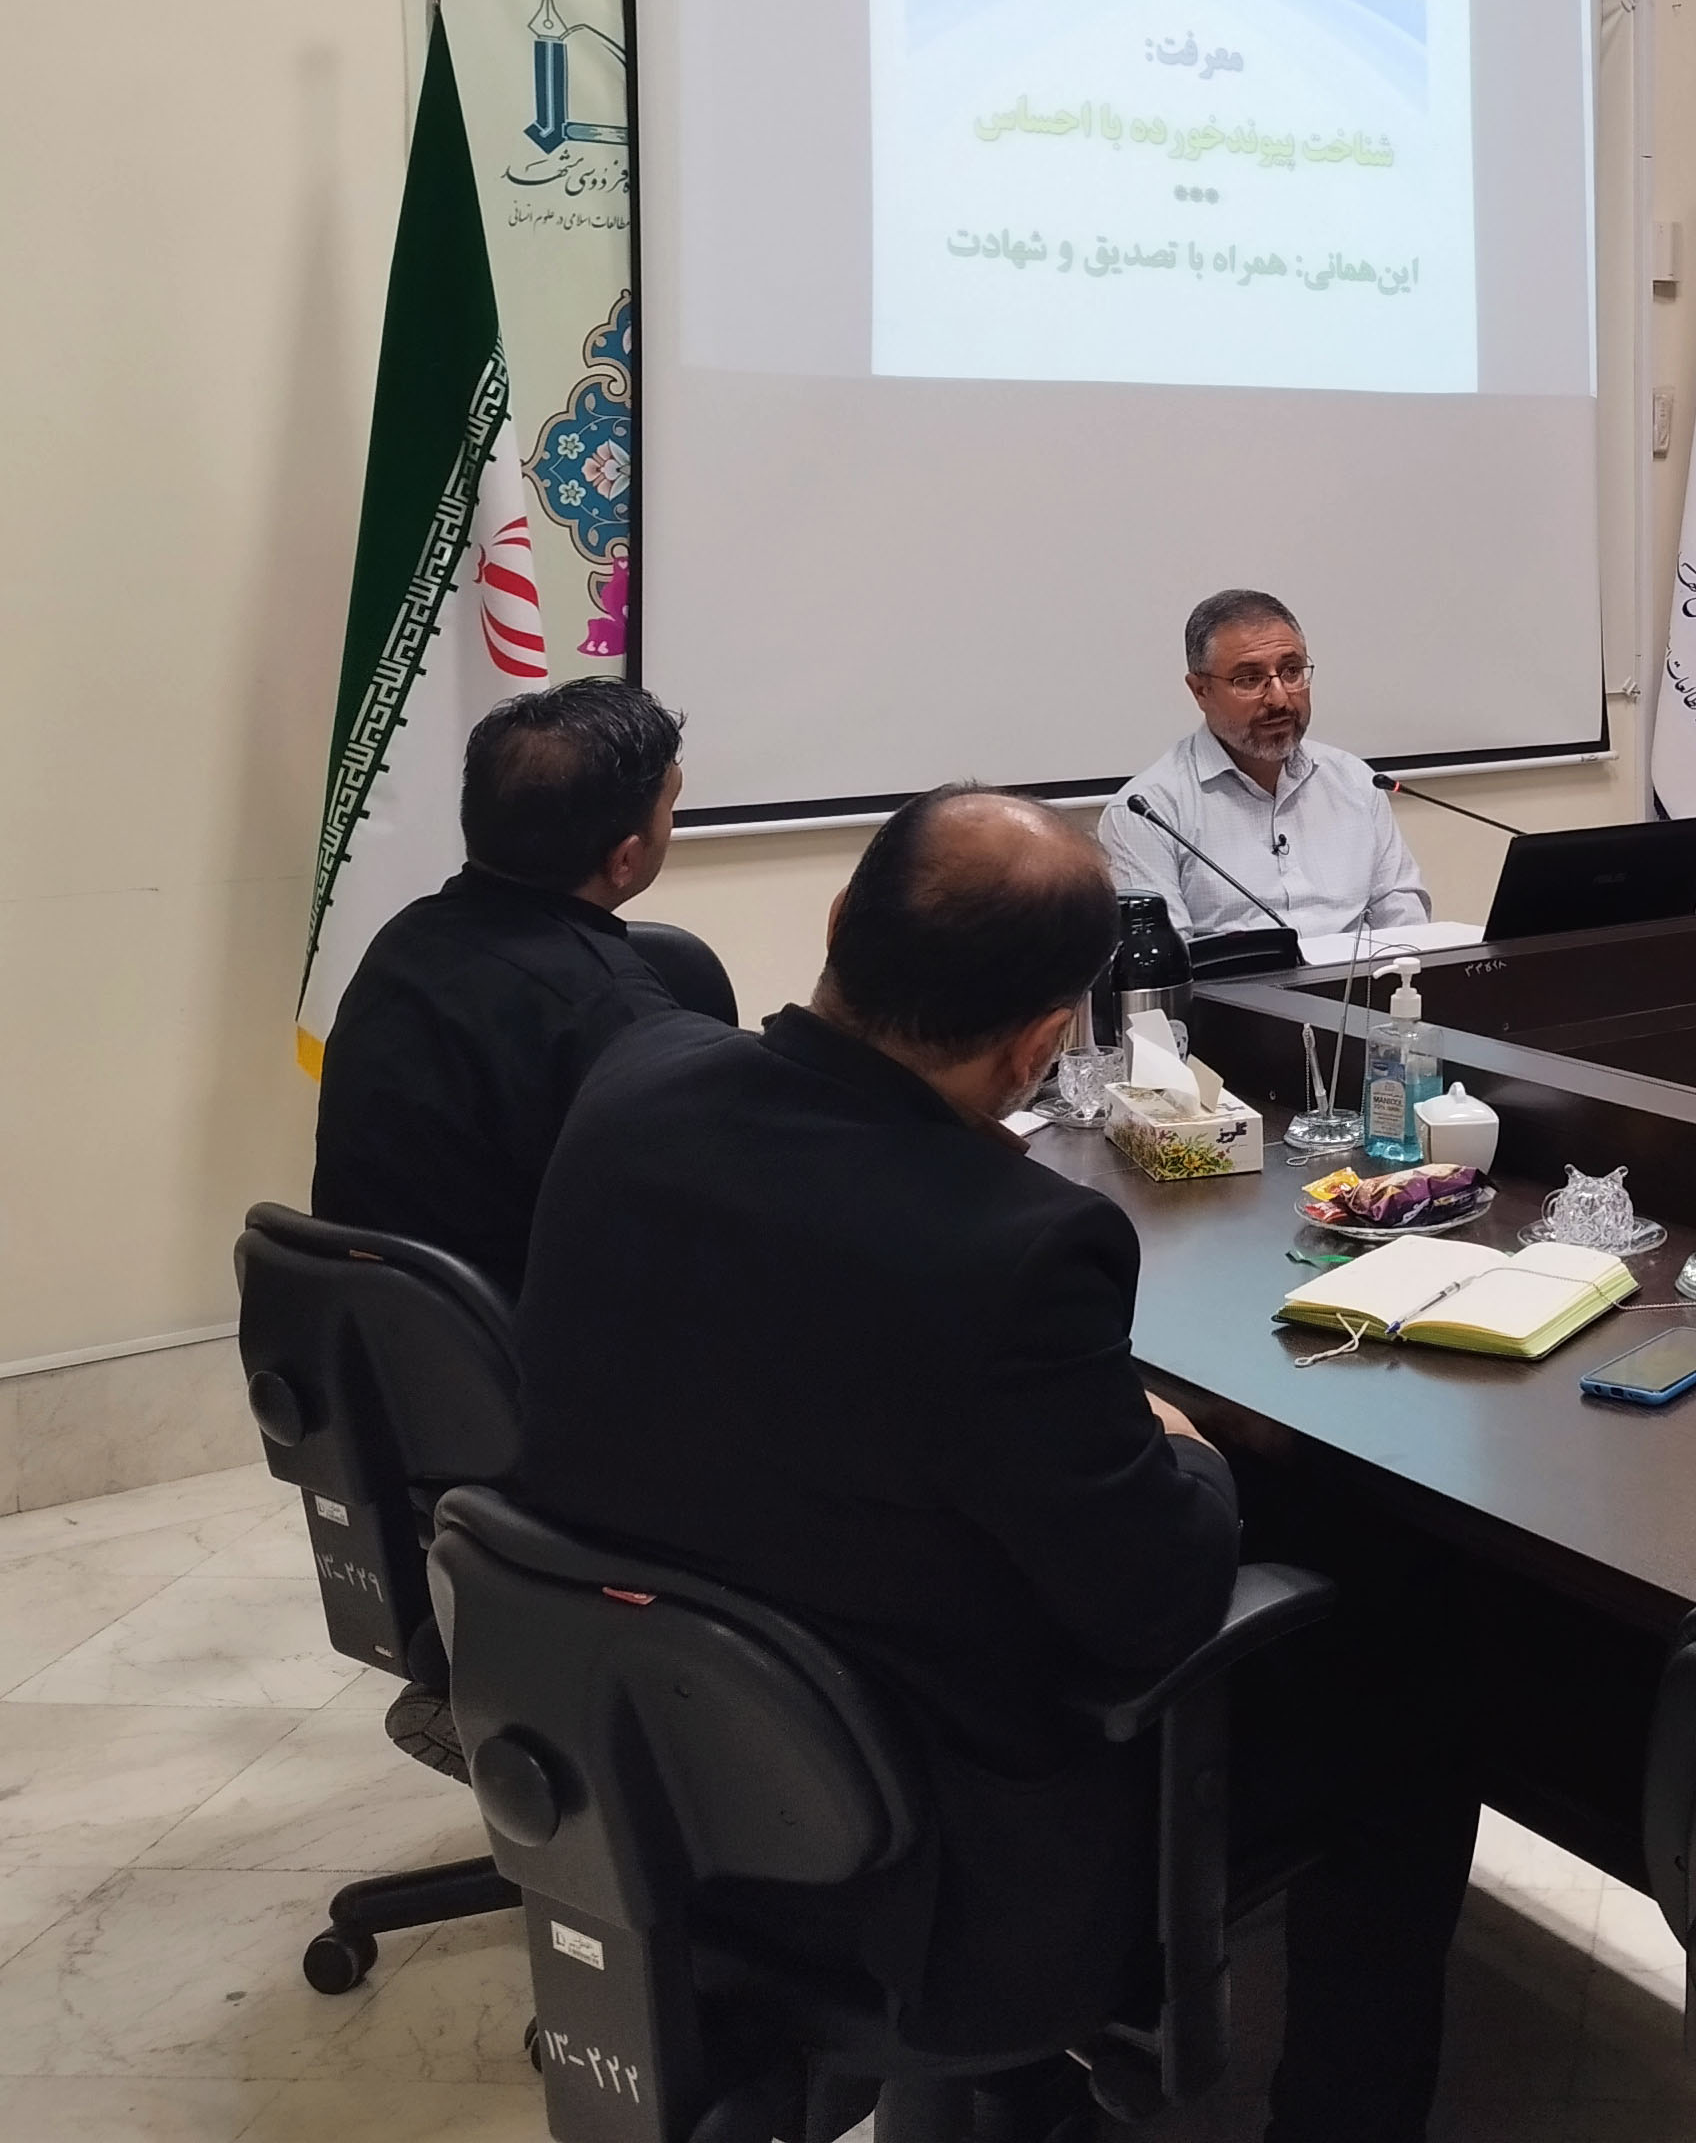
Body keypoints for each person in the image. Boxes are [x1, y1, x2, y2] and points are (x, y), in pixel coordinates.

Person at [515, 786, 1477, 2134]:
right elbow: (1156, 1605)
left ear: (839, 924)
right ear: (1039, 1044)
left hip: (664, 1774)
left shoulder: (633, 1081)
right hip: (943, 1864)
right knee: (1421, 1702)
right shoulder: (1012, 1247)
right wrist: (1172, 1435)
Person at [309, 678, 691, 1299]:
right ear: (624, 859)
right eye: (670, 807)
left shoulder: (405, 937)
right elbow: (681, 1220)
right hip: (507, 1333)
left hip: (373, 1325)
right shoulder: (607, 1010)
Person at [1099, 587, 1427, 941]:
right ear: (1200, 691)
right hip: (1234, 980)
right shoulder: (1147, 812)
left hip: (1360, 976)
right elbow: (1163, 959)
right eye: (1249, 679)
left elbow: (1404, 918)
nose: (1279, 697)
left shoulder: (1355, 782)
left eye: (1292, 671)